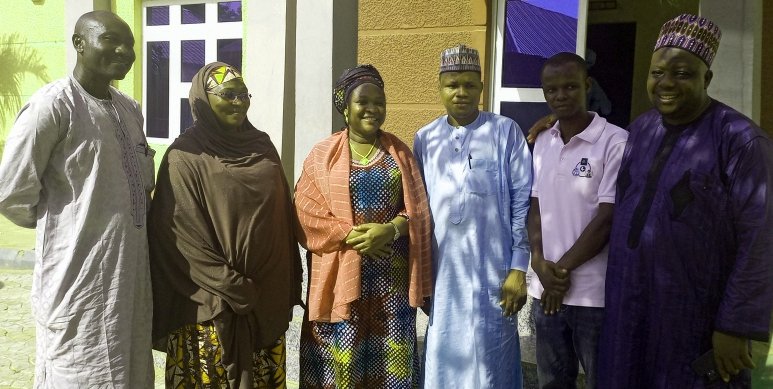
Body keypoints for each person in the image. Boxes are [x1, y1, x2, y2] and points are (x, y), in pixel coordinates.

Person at [593, 14, 773, 388]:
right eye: (657, 73)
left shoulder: (741, 141)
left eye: (682, 74)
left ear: (707, 78)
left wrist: (734, 325)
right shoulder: (640, 129)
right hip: (629, 306)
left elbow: (761, 240)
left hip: (696, 317)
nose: (666, 83)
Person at [0, 11, 154, 387]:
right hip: (76, 284)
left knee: (131, 372)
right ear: (79, 44)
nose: (124, 51)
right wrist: (66, 225)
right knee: (80, 373)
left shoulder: (130, 109)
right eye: (111, 40)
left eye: (130, 44)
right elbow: (11, 193)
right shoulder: (53, 106)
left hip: (129, 282)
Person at [148, 62, 303, 388]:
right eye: (227, 95)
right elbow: (180, 235)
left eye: (243, 94)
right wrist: (232, 286)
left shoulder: (262, 146)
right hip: (211, 307)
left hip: (264, 301)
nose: (238, 102)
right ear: (203, 100)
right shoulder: (185, 157)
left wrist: (270, 284)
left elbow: (282, 220)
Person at [294, 64, 433, 388]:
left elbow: (419, 210)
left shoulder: (399, 153)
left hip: (391, 286)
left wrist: (391, 230)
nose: (373, 109)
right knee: (342, 362)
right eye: (363, 102)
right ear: (345, 107)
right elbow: (305, 211)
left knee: (390, 364)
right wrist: (350, 235)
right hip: (340, 281)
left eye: (379, 102)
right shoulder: (322, 155)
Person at [414, 44, 532, 388]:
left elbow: (522, 201)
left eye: (469, 84)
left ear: (482, 86)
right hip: (444, 275)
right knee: (445, 357)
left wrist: (518, 268)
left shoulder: (505, 132)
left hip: (494, 273)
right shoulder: (425, 138)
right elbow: (419, 211)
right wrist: (421, 276)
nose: (461, 92)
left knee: (492, 358)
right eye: (452, 85)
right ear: (439, 88)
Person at [527, 52, 627, 389]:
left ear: (588, 85)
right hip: (546, 289)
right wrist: (538, 262)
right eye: (551, 89)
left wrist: (560, 272)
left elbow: (607, 219)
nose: (560, 95)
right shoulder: (543, 140)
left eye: (570, 86)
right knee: (552, 382)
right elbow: (536, 206)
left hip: (592, 295)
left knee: (603, 380)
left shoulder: (615, 141)